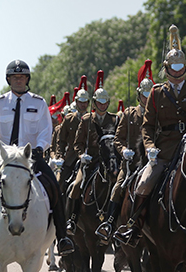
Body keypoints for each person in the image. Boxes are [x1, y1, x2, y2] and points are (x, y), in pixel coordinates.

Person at [0, 60, 74, 256]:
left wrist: (39, 148)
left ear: (27, 79)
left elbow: (46, 130)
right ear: (9, 79)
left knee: (54, 187)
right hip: (3, 157)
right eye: (14, 77)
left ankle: (62, 238)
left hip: (31, 157)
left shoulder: (39, 103)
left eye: (22, 77)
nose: (18, 80)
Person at [114, 25, 186, 247]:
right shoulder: (157, 93)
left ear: (185, 67)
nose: (176, 73)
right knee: (144, 184)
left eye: (180, 67)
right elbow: (147, 126)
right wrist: (149, 148)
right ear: (166, 68)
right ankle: (135, 227)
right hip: (164, 150)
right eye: (172, 68)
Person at [94, 60, 152, 243]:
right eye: (144, 94)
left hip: (152, 161)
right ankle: (109, 224)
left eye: (150, 94)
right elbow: (117, 139)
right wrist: (124, 150)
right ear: (139, 95)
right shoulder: (129, 114)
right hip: (131, 163)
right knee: (118, 187)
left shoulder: (157, 115)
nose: (147, 98)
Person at [65, 81, 118, 235]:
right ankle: (72, 220)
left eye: (105, 102)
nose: (103, 105)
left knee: (120, 185)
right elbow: (77, 143)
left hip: (109, 161)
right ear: (94, 103)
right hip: (90, 161)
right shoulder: (87, 119)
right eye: (100, 103)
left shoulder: (114, 120)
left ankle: (116, 221)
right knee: (77, 185)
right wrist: (82, 155)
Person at [54, 79, 91, 189]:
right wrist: (59, 157)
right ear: (76, 102)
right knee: (59, 185)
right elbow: (61, 141)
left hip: (89, 157)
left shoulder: (92, 119)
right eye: (80, 102)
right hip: (70, 158)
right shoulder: (69, 119)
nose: (83, 105)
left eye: (85, 102)